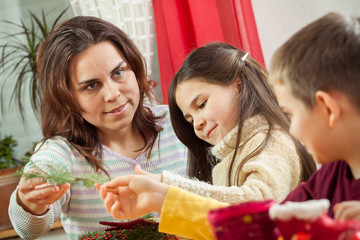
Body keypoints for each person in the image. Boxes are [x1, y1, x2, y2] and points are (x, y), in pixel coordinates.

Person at [99, 12, 360, 240]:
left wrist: (168, 192)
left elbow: (258, 205)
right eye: (189, 120)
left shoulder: (273, 141)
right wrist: (162, 197)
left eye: (201, 105)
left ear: (327, 108)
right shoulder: (331, 177)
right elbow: (262, 222)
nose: (294, 130)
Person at [8, 16, 188, 239]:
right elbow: (27, 228)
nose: (113, 94)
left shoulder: (182, 123)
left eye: (118, 73)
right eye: (91, 85)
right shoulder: (62, 154)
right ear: (67, 98)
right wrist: (28, 202)